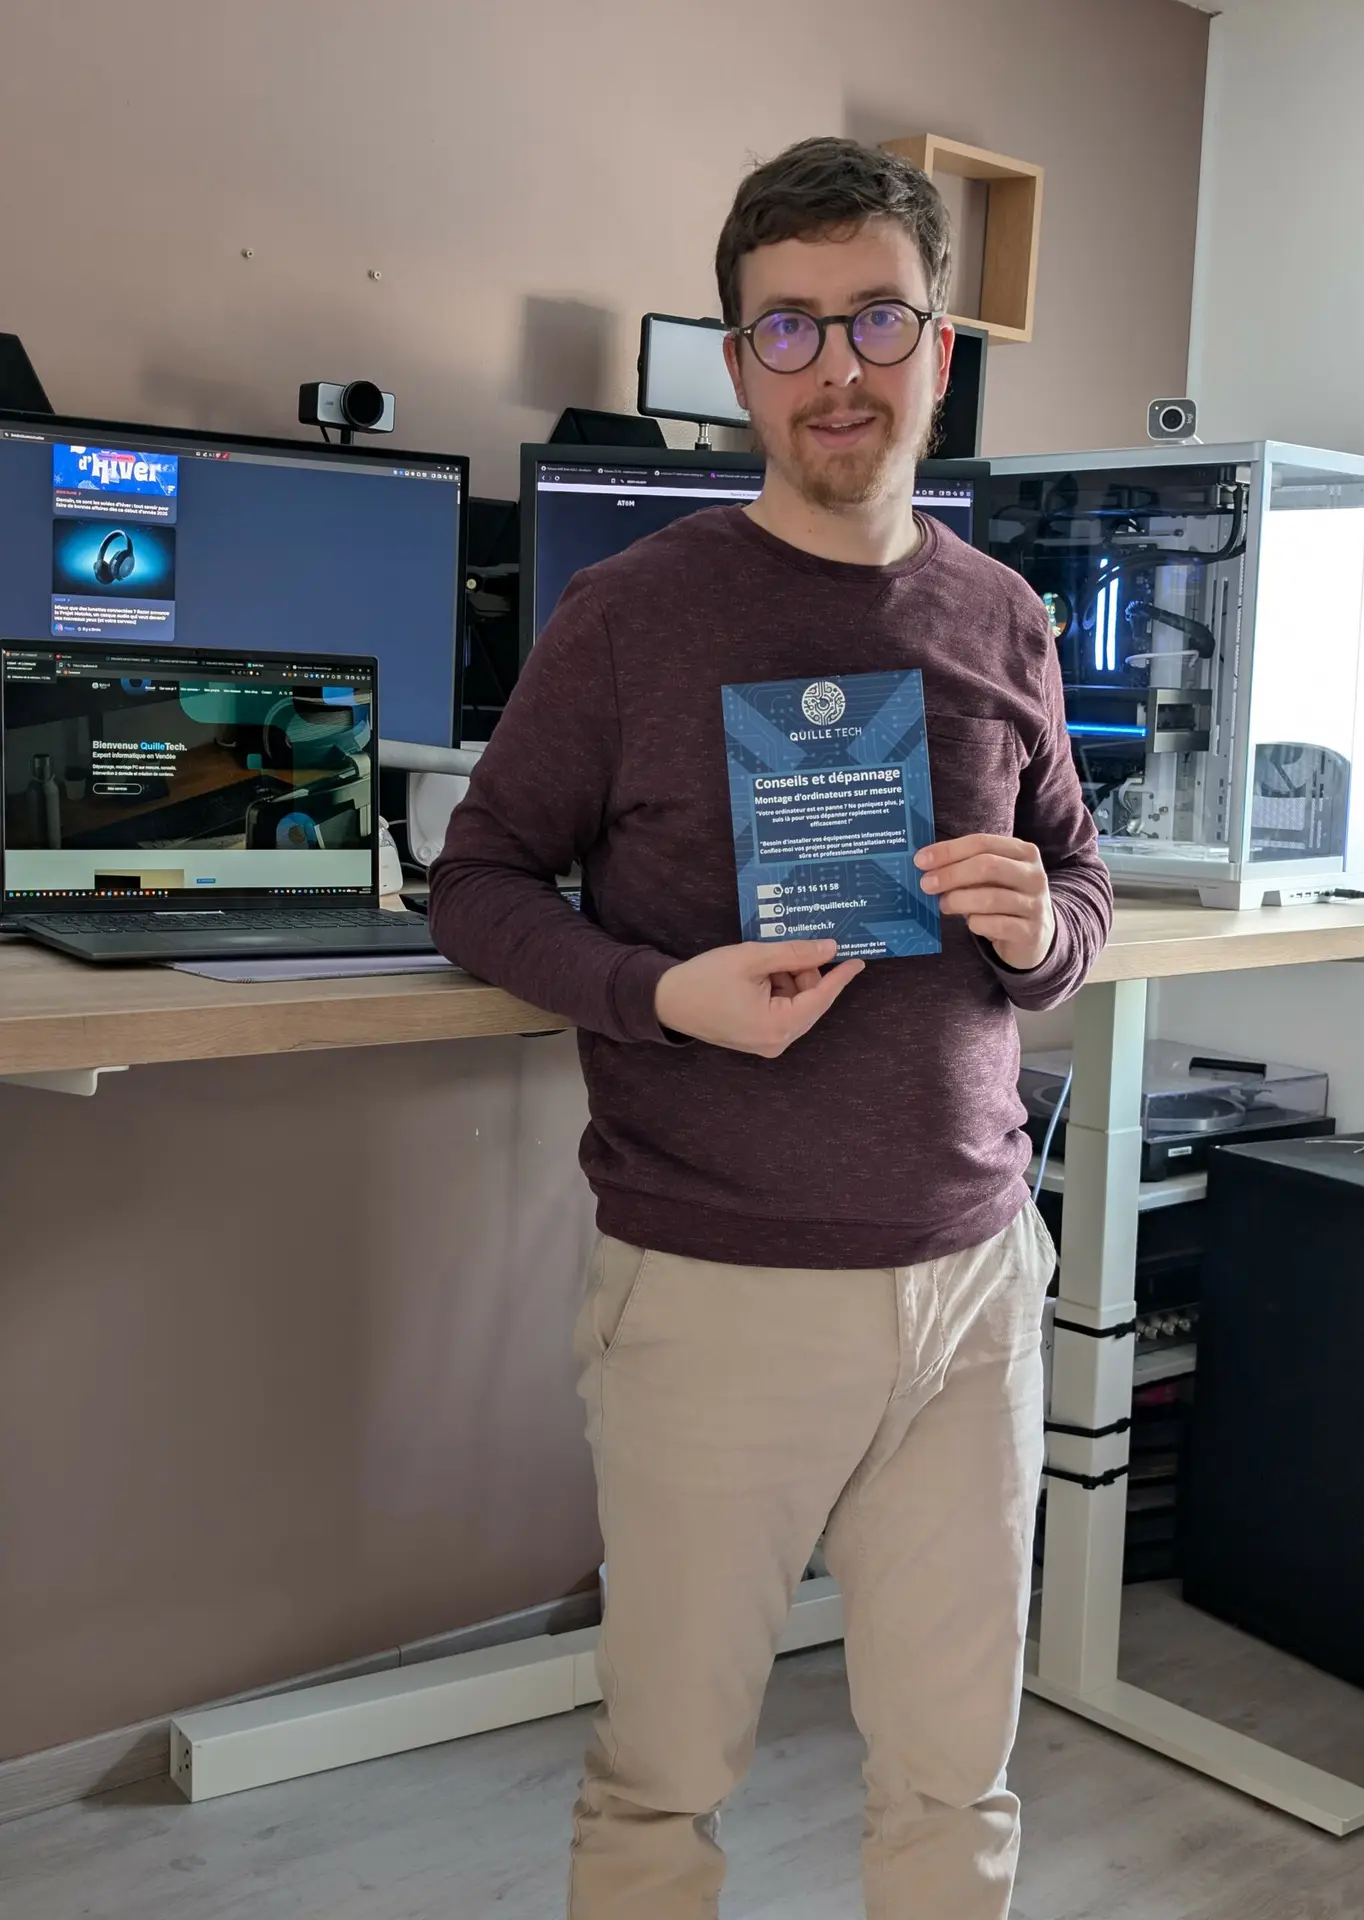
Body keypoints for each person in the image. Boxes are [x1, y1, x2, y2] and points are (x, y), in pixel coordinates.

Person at [429, 135, 1112, 1920]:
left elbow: (1076, 883)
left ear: (938, 348)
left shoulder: (1003, 616)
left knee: (956, 1784)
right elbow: (475, 881)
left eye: (876, 319)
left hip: (973, 1286)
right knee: (663, 1787)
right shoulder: (630, 618)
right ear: (740, 365)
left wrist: (1045, 931)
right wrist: (662, 994)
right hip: (715, 1286)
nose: (837, 370)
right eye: (788, 329)